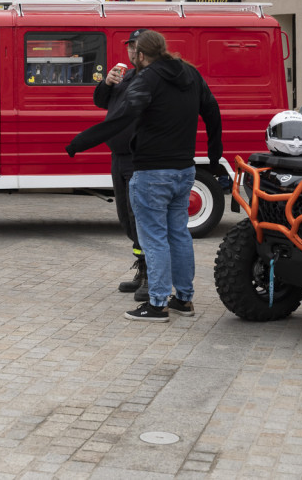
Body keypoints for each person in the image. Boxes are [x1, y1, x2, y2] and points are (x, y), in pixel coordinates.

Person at [66, 30, 223, 322]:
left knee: (154, 239)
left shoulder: (148, 78)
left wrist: (81, 141)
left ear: (141, 55)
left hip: (151, 172)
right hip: (184, 170)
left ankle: (157, 304)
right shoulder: (189, 73)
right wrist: (214, 154)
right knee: (178, 235)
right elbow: (212, 109)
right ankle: (184, 300)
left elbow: (124, 115)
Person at [94, 30, 145, 300]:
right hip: (119, 157)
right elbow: (100, 102)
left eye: (136, 47)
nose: (131, 52)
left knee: (141, 218)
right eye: (129, 47)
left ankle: (151, 276)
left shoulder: (148, 78)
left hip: (138, 159)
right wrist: (107, 83)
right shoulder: (124, 77)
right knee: (126, 217)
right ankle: (142, 268)